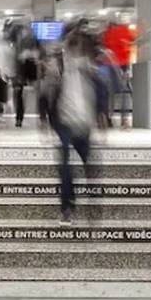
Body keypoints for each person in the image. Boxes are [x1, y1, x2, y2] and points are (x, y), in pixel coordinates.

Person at [50, 28, 102, 224]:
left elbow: (101, 92)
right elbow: (49, 93)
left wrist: (101, 116)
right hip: (64, 123)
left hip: (83, 124)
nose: (74, 49)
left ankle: (94, 204)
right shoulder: (60, 66)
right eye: (72, 45)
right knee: (65, 168)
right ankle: (67, 208)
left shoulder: (90, 68)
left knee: (90, 166)